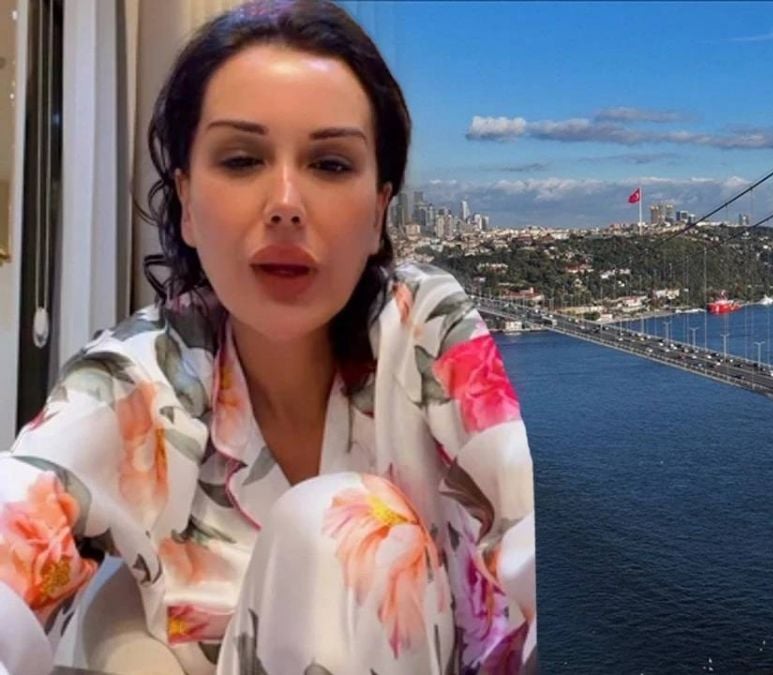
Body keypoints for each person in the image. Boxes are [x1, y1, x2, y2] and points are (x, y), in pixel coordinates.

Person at [0, 0, 536, 673]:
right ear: (186, 202)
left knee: (344, 520)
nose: (285, 203)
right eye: (242, 159)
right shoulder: (141, 375)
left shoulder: (426, 329)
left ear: (379, 211)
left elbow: (524, 514)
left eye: (330, 164)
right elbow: (22, 510)